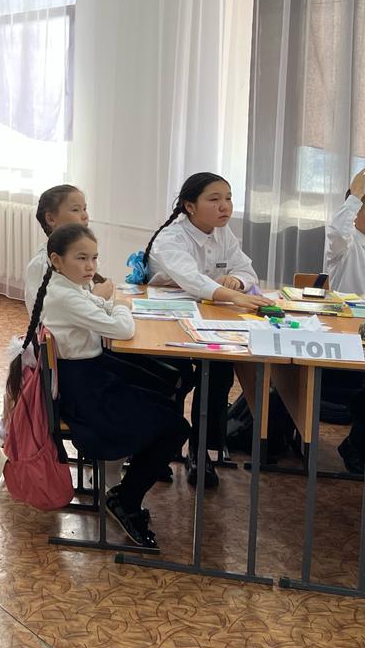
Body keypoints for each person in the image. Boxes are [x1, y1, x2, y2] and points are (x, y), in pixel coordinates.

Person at [21, 223, 189, 549]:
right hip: (84, 391)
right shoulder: (63, 295)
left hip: (89, 374)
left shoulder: (67, 286)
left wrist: (115, 307)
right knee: (175, 427)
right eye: (81, 258)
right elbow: (120, 327)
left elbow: (102, 308)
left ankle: (133, 477)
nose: (90, 266)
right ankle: (125, 499)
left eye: (94, 258)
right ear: (56, 260)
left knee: (166, 394)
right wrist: (123, 307)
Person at [140, 173, 267, 488]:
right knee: (174, 376)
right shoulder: (171, 237)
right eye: (214, 199)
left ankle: (201, 451)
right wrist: (234, 295)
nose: (225, 206)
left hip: (204, 318)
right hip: (163, 322)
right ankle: (155, 450)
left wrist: (237, 281)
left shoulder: (223, 233)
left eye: (228, 198)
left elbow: (247, 270)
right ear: (190, 206)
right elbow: (192, 279)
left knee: (220, 371)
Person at [325, 169, 365, 472]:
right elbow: (338, 231)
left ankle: (356, 443)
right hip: (344, 344)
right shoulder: (346, 247)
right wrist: (355, 196)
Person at [25, 186, 113, 303]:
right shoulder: (42, 264)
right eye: (76, 210)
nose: (85, 216)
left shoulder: (85, 253)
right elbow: (50, 311)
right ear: (51, 219)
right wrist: (98, 297)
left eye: (85, 209)